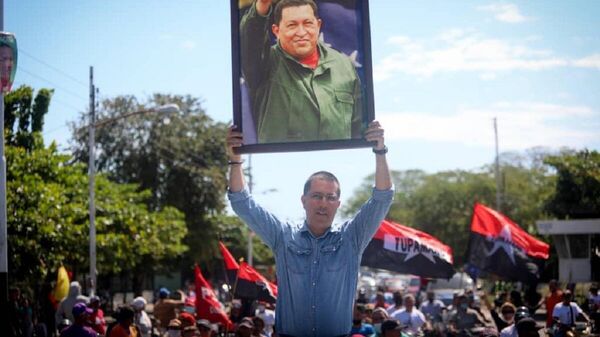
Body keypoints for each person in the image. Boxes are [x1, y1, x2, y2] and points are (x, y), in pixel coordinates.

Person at [227, 120, 393, 336]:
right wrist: (235, 159)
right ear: (303, 200)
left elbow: (382, 198)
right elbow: (241, 202)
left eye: (330, 197)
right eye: (316, 196)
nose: (323, 203)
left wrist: (380, 150)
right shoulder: (283, 236)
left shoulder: (352, 238)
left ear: (338, 204)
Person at [240, 0, 363, 143]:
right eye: (292, 25)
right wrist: (262, 4)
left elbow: (357, 126)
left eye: (308, 23)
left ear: (318, 26)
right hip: (283, 162)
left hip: (338, 160)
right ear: (276, 31)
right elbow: (250, 40)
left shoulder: (344, 65)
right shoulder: (264, 63)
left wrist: (372, 140)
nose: (301, 32)